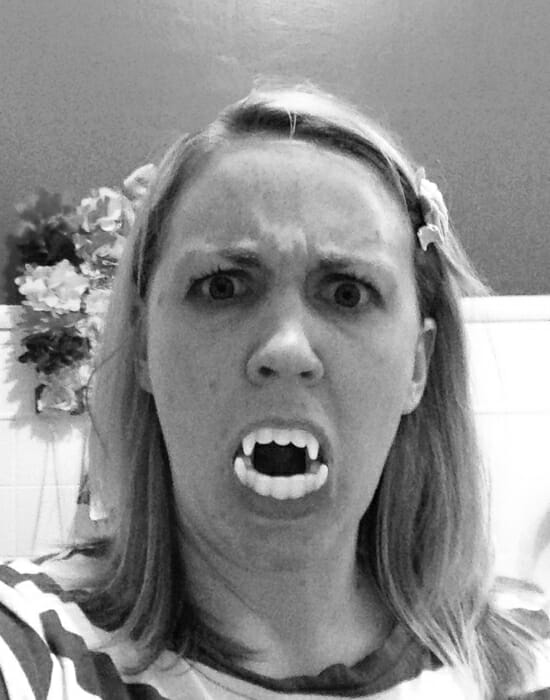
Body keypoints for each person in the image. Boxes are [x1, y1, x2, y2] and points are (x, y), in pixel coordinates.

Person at [1, 81, 549, 699]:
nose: (286, 349)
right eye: (223, 286)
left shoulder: (527, 666)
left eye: (347, 293)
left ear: (417, 368)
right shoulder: (31, 644)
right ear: (145, 345)